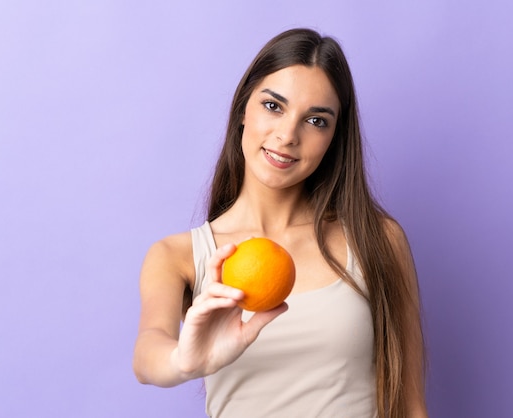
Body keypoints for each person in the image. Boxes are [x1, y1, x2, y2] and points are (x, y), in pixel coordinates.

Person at [133, 28, 427, 418]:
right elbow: (148, 353)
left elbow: (411, 407)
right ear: (243, 109)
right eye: (273, 106)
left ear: (334, 137)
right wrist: (184, 361)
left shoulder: (378, 240)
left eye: (316, 121)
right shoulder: (178, 256)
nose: (288, 135)